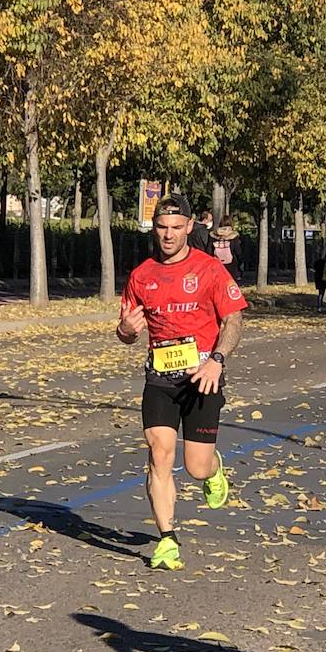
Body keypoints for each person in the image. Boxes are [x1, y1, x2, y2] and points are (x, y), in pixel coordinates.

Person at [117, 193, 247, 571]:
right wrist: (125, 330)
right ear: (154, 229)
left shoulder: (209, 270)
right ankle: (167, 539)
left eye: (176, 228)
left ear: (190, 227)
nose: (168, 235)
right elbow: (126, 330)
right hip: (160, 378)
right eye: (162, 228)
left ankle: (214, 468)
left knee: (196, 467)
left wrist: (217, 362)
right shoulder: (141, 276)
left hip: (202, 378)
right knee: (159, 453)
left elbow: (234, 320)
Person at [211, 217, 243, 282]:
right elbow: (237, 251)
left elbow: (209, 250)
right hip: (231, 264)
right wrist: (241, 261)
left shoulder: (214, 235)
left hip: (217, 263)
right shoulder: (233, 236)